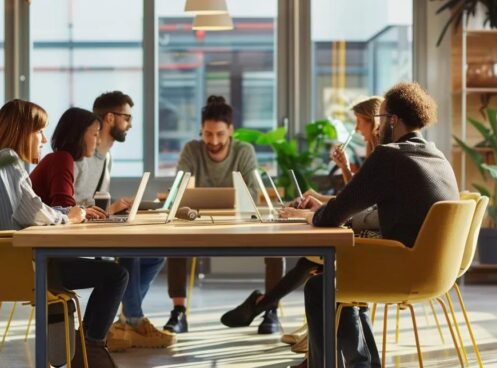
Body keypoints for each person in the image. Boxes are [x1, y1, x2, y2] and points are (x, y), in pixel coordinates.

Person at [281, 82, 458, 368]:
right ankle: (362, 365)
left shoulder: (389, 155)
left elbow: (333, 216)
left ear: (392, 120)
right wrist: (325, 210)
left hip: (404, 269)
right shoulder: (436, 155)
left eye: (379, 119)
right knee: (348, 279)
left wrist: (307, 215)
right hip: (437, 271)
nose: (376, 128)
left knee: (319, 286)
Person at [0, 100, 128, 368]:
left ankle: (83, 350)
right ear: (22, 132)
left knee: (98, 273)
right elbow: (30, 210)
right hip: (23, 268)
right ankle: (89, 349)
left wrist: (68, 213)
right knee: (116, 275)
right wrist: (69, 215)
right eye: (39, 132)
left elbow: (29, 208)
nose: (44, 139)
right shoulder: (8, 160)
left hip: (6, 263)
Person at [220, 97, 384, 346]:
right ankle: (267, 308)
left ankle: (264, 306)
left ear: (372, 122)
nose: (356, 129)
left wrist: (318, 206)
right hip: (364, 228)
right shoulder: (373, 151)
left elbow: (362, 202)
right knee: (311, 261)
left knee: (313, 261)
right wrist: (342, 170)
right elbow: (359, 194)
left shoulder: (383, 154)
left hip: (372, 244)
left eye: (359, 122)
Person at [165, 95, 282, 334]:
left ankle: (270, 310)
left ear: (231, 130)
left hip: (240, 220)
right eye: (208, 134)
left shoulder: (244, 150)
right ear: (201, 130)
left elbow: (252, 192)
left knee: (276, 245)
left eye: (220, 134)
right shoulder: (191, 149)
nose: (214, 141)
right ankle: (178, 312)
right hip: (197, 222)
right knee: (174, 242)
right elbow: (179, 189)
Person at [75, 91, 173, 351]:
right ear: (110, 118)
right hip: (75, 230)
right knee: (130, 253)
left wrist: (116, 208)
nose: (130, 124)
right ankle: (132, 320)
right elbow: (72, 203)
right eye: (127, 118)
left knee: (156, 256)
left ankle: (125, 320)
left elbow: (96, 200)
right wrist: (111, 209)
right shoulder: (83, 154)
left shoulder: (106, 157)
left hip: (94, 223)